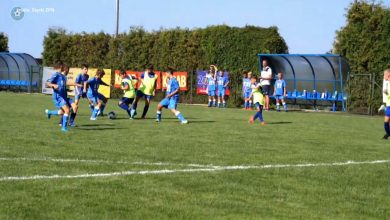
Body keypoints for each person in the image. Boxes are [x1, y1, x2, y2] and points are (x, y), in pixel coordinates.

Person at [45, 62, 81, 132]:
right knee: (67, 110)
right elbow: (47, 83)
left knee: (69, 109)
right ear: (62, 67)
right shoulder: (56, 75)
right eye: (66, 68)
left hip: (65, 96)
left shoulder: (63, 77)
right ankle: (64, 128)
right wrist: (54, 85)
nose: (67, 70)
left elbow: (64, 84)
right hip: (59, 96)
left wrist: (75, 85)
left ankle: (50, 112)